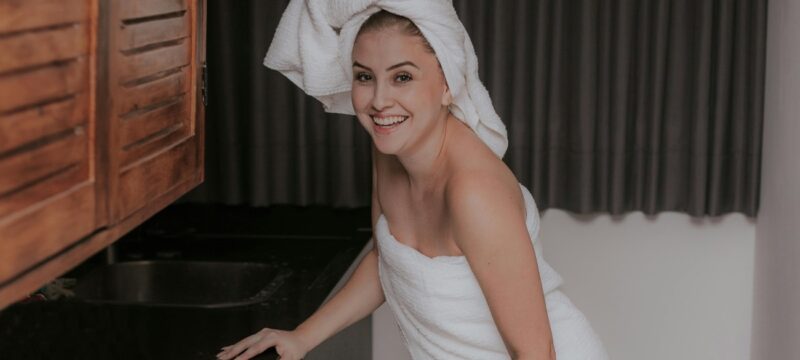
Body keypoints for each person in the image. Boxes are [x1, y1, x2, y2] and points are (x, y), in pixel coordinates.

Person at [217, 2, 607, 360]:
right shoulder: (391, 149)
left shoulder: (474, 193)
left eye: (402, 77)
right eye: (364, 77)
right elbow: (388, 260)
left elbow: (537, 352)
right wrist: (302, 336)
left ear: (447, 84)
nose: (380, 101)